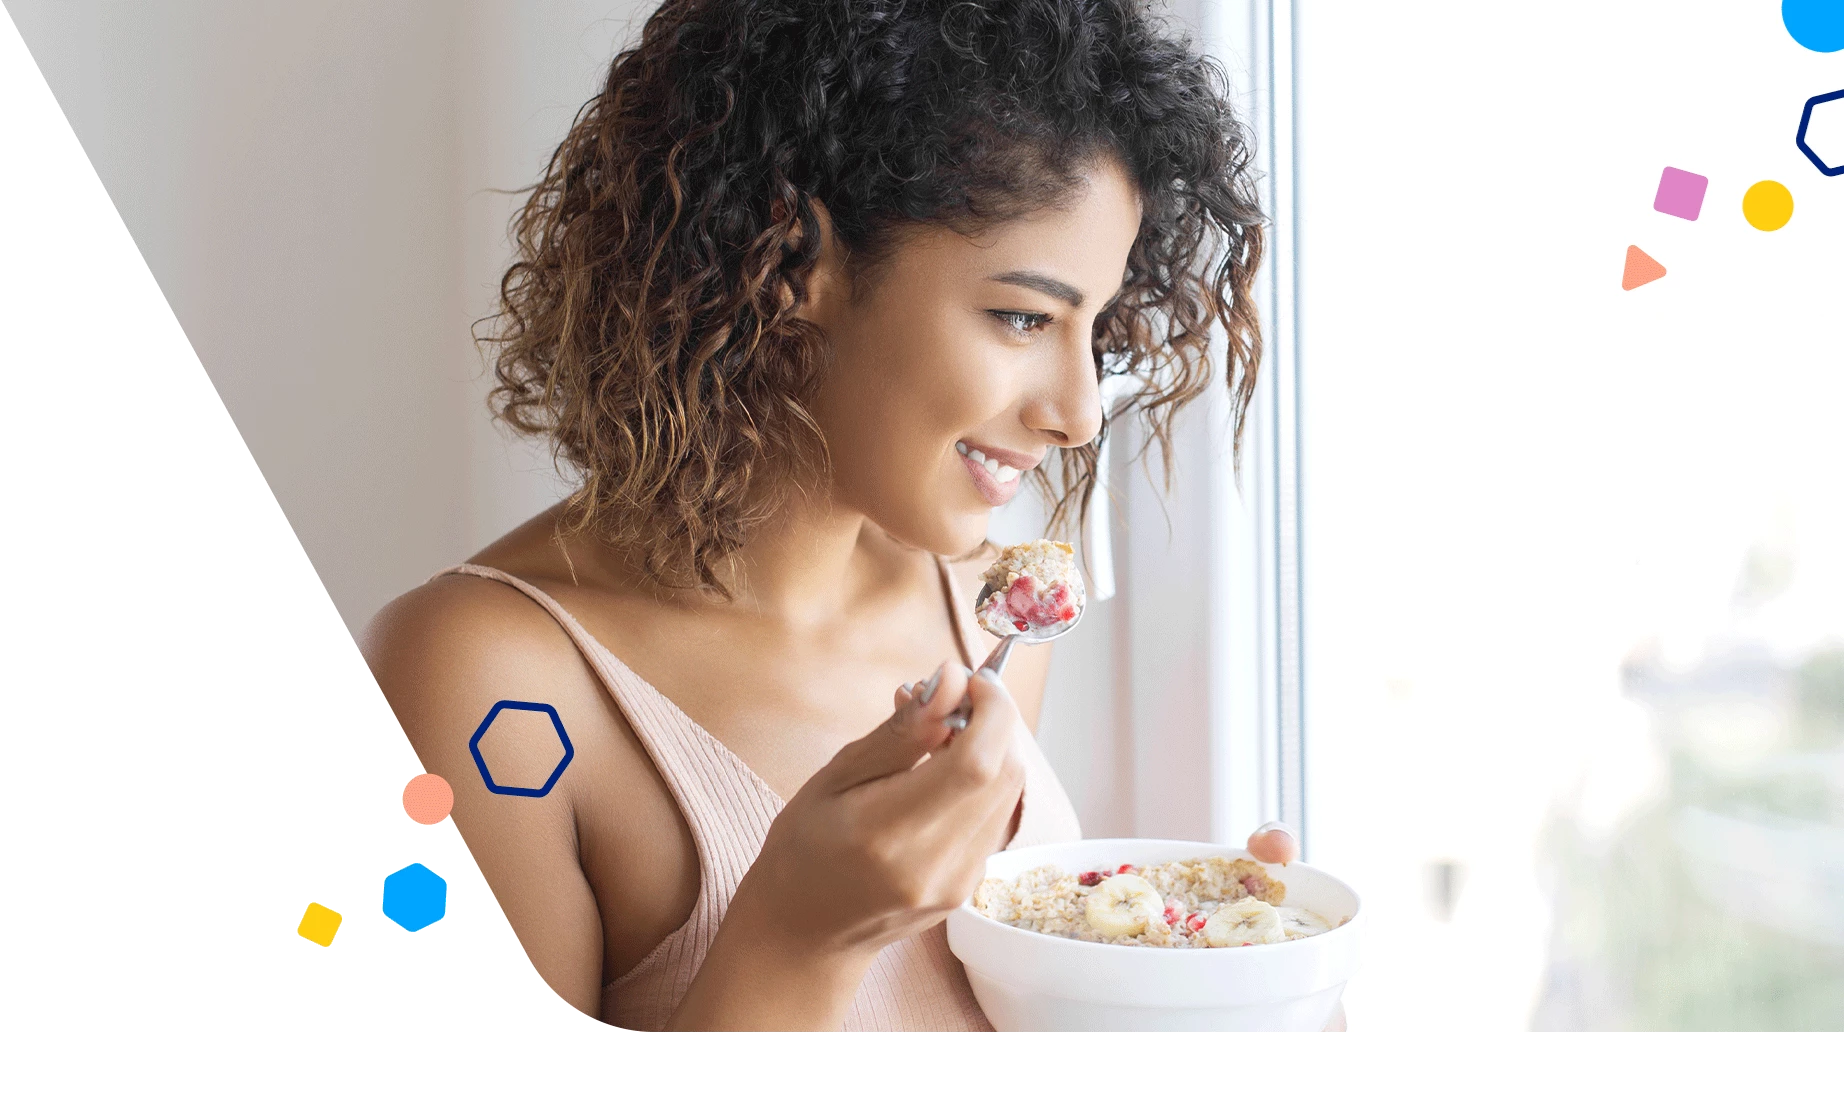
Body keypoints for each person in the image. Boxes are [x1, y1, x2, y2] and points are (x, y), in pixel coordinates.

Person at [362, 0, 1268, 1030]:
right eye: (1022, 316)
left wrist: (1222, 974)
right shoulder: (479, 674)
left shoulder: (989, 622)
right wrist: (794, 932)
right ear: (797, 262)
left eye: (1092, 327)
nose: (1072, 412)